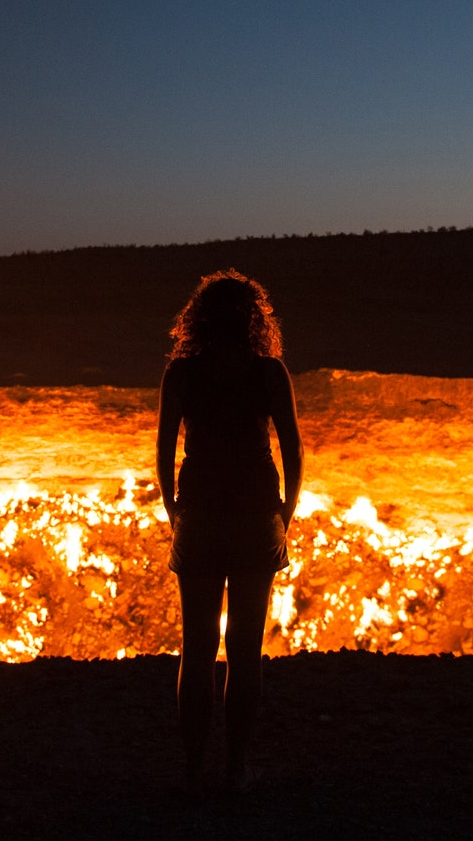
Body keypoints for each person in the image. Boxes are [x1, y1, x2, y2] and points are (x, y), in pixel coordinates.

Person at [156, 269, 301, 794]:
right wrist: (284, 512)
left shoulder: (182, 373)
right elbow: (292, 449)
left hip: (199, 513)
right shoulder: (269, 372)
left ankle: (194, 770)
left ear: (198, 319)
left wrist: (176, 510)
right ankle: (236, 768)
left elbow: (164, 452)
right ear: (254, 320)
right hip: (255, 514)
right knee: (245, 649)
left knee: (196, 648)